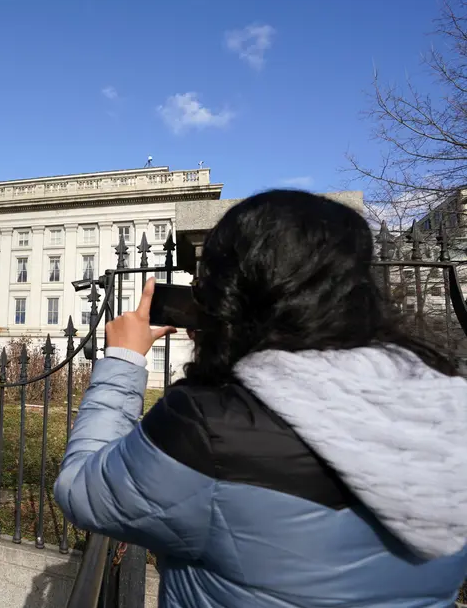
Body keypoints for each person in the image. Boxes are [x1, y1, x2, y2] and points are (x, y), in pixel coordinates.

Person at [54, 190, 467, 607]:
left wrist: (123, 360)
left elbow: (81, 491)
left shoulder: (210, 426)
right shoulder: (447, 404)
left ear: (228, 295)